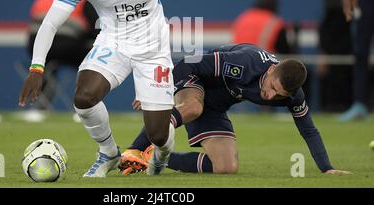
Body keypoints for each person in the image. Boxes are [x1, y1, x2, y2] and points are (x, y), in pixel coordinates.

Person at [19, 0, 175, 177]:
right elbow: (50, 23)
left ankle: (161, 155)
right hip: (113, 42)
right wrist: (36, 68)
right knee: (84, 97)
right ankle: (108, 152)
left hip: (153, 49)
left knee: (158, 134)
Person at [119, 43, 350, 175]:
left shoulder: (292, 95)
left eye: (280, 95)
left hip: (216, 105)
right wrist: (159, 90)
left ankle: (156, 159)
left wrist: (326, 168)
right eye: (272, 88)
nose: (271, 96)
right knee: (193, 107)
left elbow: (309, 130)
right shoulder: (245, 63)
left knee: (226, 167)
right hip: (194, 79)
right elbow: (191, 61)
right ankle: (133, 150)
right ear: (270, 71)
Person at [25, 0, 98, 110]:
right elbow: (94, 27)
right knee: (93, 61)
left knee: (50, 65)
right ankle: (85, 103)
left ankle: (41, 104)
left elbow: (34, 19)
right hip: (66, 44)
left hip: (35, 43)